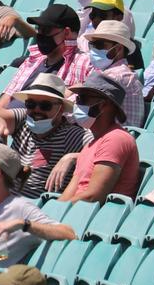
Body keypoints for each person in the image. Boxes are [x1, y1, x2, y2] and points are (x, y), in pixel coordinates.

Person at [0, 74, 92, 200]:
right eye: (30, 104)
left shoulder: (70, 135)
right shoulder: (23, 119)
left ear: (61, 109)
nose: (36, 110)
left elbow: (103, 152)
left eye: (45, 106)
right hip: (5, 199)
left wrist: (73, 157)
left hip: (36, 208)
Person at [59, 73, 139, 202]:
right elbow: (69, 194)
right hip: (75, 214)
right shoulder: (90, 145)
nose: (76, 104)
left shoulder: (116, 139)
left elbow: (94, 196)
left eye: (82, 99)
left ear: (102, 105)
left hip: (92, 218)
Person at [81, 21, 144, 127]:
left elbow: (80, 111)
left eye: (99, 45)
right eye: (92, 45)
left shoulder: (115, 76)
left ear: (118, 48)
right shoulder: (114, 73)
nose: (94, 50)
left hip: (113, 136)